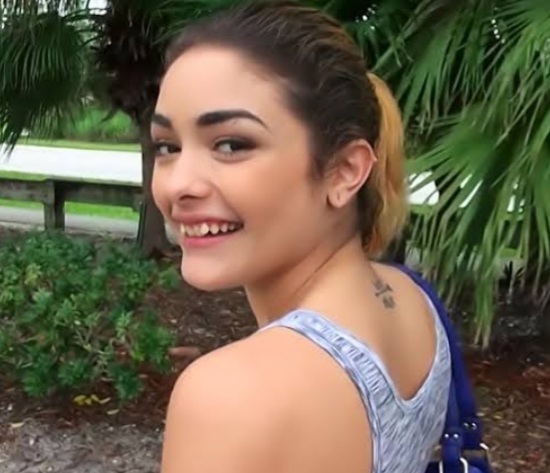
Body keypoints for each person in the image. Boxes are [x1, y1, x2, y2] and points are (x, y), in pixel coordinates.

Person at [151, 1, 451, 472]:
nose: (178, 185)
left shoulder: (229, 396)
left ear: (345, 171)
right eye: (167, 147)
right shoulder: (414, 300)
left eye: (231, 144)